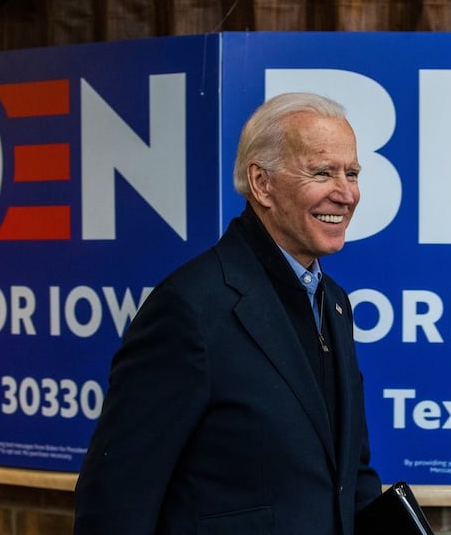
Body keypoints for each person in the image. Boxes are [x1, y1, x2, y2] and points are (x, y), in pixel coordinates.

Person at [74, 92, 383, 534]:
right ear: (262, 184)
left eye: (351, 173)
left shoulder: (334, 302)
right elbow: (115, 500)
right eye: (322, 172)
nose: (346, 193)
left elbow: (351, 478)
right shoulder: (189, 309)